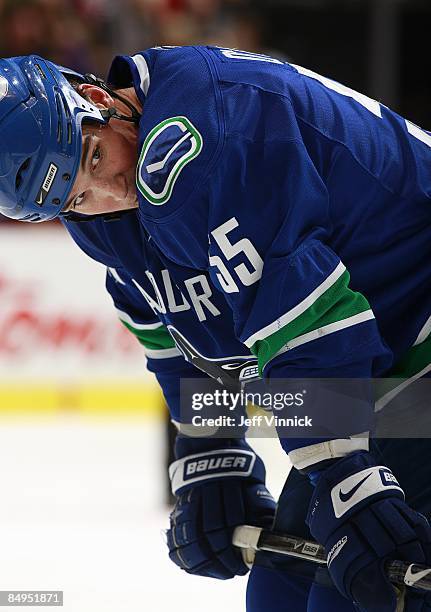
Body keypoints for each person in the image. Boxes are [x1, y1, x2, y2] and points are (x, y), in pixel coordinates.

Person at [0, 47, 431, 612]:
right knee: (281, 593)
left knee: (353, 596)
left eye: (96, 155)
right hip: (384, 360)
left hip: (410, 335)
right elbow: (175, 327)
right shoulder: (100, 214)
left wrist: (348, 478)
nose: (108, 192)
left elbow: (305, 324)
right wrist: (212, 448)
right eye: (77, 197)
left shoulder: (201, 134)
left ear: (97, 99)